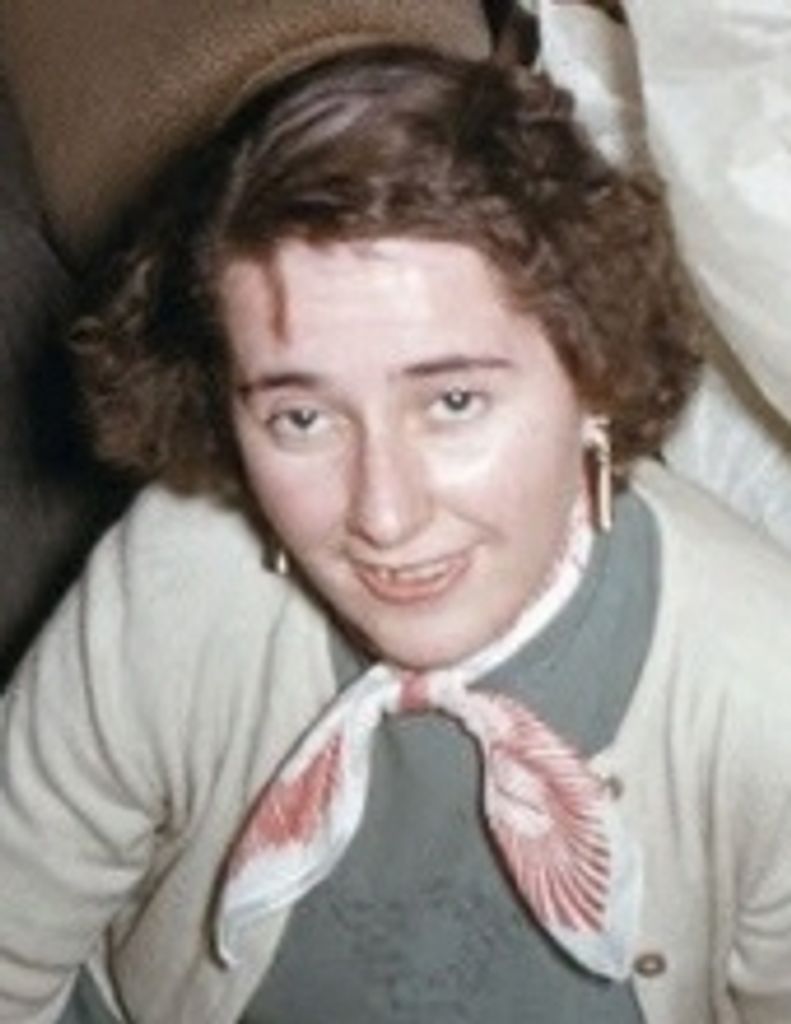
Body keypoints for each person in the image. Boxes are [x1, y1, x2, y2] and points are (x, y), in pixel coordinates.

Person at [2, 41, 791, 1024]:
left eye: (452, 401)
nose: (382, 513)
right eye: (301, 418)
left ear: (595, 372)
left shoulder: (763, 689)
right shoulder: (175, 579)